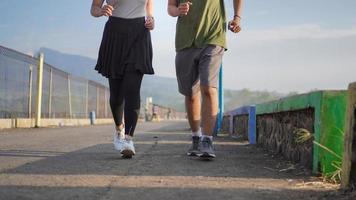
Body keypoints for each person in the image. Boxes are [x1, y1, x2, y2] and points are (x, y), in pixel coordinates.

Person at [167, 0, 243, 159]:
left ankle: (207, 140)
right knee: (190, 93)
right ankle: (196, 137)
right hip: (185, 40)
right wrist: (178, 10)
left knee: (208, 88)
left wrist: (237, 17)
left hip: (213, 37)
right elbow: (171, 7)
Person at [91, 0, 155, 158]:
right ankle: (119, 129)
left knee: (132, 89)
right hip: (115, 34)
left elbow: (148, 5)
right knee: (116, 96)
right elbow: (94, 8)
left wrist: (151, 19)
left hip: (139, 33)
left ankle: (128, 139)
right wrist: (100, 11)